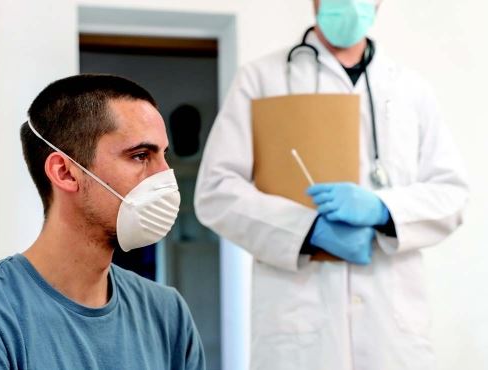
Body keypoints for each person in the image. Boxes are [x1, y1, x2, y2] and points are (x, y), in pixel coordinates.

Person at [194, 0, 469, 369]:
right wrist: (308, 229)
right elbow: (216, 190)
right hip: (298, 331)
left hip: (392, 330)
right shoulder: (262, 78)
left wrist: (383, 210)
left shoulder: (410, 88)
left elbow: (451, 192)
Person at [0, 74, 206, 370]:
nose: (165, 177)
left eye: (164, 157)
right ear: (64, 172)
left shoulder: (167, 313)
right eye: (140, 156)